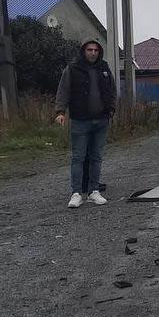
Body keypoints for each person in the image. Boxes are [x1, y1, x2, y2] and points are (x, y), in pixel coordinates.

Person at [54, 39, 116, 208]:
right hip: (80, 121)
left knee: (96, 157)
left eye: (96, 50)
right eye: (90, 50)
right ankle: (76, 193)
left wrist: (111, 109)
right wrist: (60, 112)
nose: (93, 53)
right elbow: (63, 90)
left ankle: (93, 191)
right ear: (83, 51)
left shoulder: (104, 68)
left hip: (101, 120)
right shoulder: (73, 69)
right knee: (78, 158)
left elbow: (112, 90)